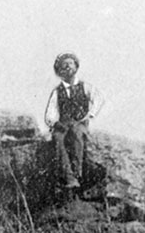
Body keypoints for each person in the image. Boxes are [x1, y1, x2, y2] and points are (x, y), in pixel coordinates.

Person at [43, 52, 104, 189]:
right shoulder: (57, 91)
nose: (67, 67)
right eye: (63, 65)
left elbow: (99, 99)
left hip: (79, 123)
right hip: (63, 123)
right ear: (59, 71)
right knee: (58, 138)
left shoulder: (85, 86)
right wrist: (55, 123)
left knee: (77, 135)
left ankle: (77, 174)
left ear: (76, 67)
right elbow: (50, 113)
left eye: (70, 63)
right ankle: (69, 177)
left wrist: (90, 115)